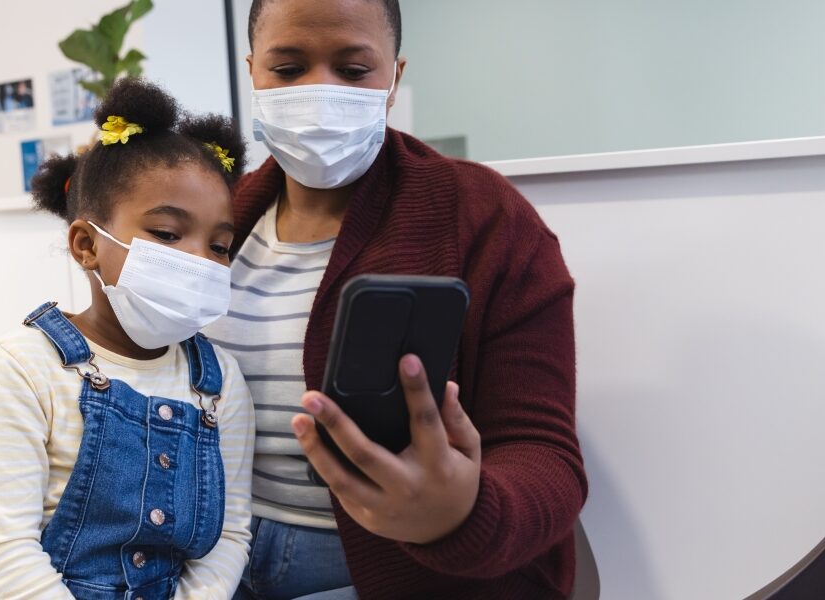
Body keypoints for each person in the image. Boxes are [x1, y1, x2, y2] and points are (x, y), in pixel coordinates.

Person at [204, 1, 587, 598]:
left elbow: (547, 459)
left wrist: (461, 514)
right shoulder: (214, 217)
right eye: (287, 68)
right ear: (252, 71)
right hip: (211, 563)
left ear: (394, 78)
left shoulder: (483, 216)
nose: (320, 90)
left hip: (391, 572)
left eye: (353, 71)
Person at [0, 78, 256, 600]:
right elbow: (0, 554)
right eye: (166, 234)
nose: (199, 261)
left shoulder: (219, 381)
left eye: (220, 245)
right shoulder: (25, 366)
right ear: (87, 245)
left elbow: (229, 534)